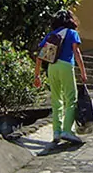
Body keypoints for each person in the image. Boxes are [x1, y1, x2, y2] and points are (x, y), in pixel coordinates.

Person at [34, 9, 88, 148]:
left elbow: (40, 56)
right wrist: (83, 71)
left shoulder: (51, 34)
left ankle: (56, 132)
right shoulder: (72, 33)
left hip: (52, 67)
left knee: (56, 99)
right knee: (71, 99)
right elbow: (76, 52)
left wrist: (37, 75)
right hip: (66, 66)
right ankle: (67, 131)